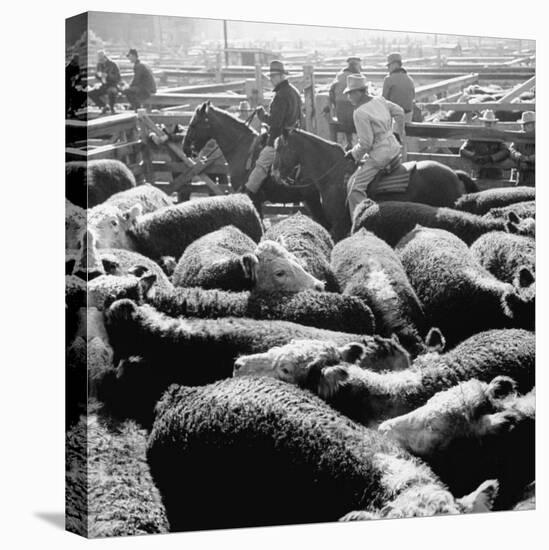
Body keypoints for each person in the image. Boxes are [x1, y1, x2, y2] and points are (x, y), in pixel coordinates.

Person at [343, 74, 405, 218]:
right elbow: (400, 112)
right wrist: (396, 134)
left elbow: (366, 143)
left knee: (354, 189)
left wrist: (353, 155)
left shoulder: (360, 112)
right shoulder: (380, 100)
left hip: (380, 156)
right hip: (394, 148)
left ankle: (362, 222)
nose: (349, 97)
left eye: (351, 93)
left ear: (360, 92)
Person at [243, 60, 303, 202]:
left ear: (282, 76)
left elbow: (276, 123)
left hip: (279, 138)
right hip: (293, 136)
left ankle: (247, 196)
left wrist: (262, 115)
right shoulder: (294, 91)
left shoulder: (280, 95)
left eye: (274, 76)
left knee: (261, 164)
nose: (271, 79)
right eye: (271, 76)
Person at [459, 110, 511, 180]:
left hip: (495, 173)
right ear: (483, 123)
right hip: (479, 172)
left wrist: (491, 158)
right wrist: (475, 157)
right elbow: (463, 150)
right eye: (486, 122)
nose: (488, 124)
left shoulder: (497, 136)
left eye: (490, 123)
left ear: (494, 123)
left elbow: (505, 151)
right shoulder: (476, 136)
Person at [382, 52, 415, 157]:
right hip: (408, 116)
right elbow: (413, 96)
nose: (388, 68)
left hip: (395, 118)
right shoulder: (410, 79)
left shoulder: (388, 79)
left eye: (389, 66)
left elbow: (383, 100)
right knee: (404, 142)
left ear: (395, 64)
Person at [327, 56, 362, 149]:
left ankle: (349, 142)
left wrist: (334, 105)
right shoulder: (358, 77)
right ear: (357, 66)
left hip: (340, 111)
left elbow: (331, 91)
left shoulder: (339, 76)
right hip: (353, 110)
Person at [509, 111, 535, 186]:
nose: (525, 126)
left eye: (528, 124)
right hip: (522, 173)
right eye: (524, 124)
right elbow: (511, 150)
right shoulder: (519, 135)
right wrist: (519, 157)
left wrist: (528, 158)